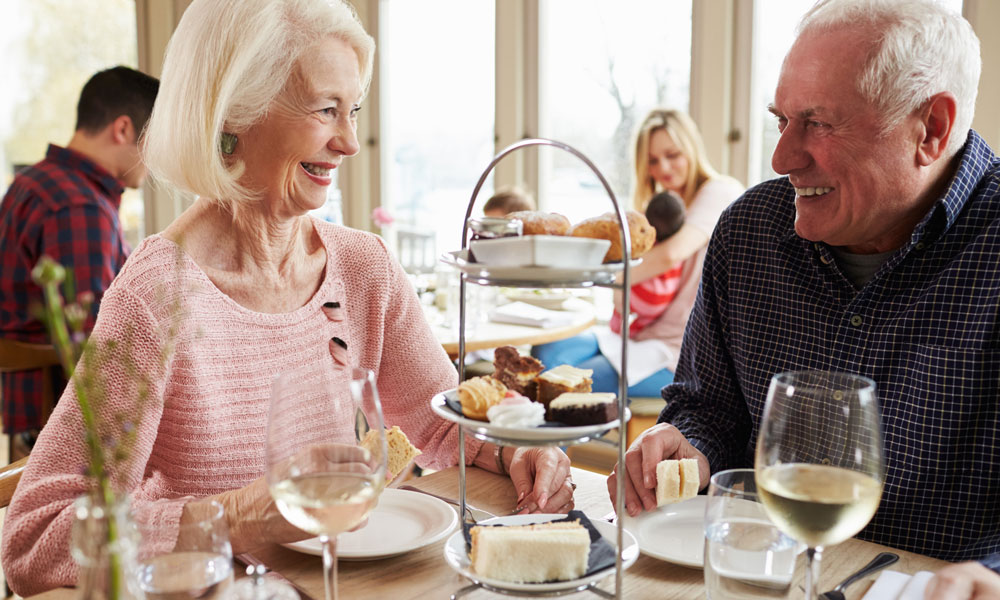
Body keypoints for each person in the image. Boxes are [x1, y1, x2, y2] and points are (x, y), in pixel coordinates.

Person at [0, 0, 572, 594]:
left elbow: (444, 425)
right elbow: (35, 537)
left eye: (353, 110)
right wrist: (233, 518)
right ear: (233, 113)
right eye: (327, 110)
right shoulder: (154, 297)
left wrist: (513, 452)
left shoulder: (363, 267)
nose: (350, 141)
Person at [608, 0, 1000, 592]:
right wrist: (685, 443)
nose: (781, 157)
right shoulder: (748, 233)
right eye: (781, 119)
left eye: (818, 123)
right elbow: (707, 407)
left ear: (932, 129)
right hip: (754, 578)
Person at [0, 66, 159, 457]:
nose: (156, 158)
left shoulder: (33, 182)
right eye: (152, 141)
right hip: (61, 426)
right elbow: (92, 346)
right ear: (122, 129)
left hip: (31, 416)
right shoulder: (79, 205)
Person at [532, 109, 743, 397]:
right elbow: (624, 299)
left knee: (566, 386)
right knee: (546, 355)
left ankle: (544, 440)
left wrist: (605, 275)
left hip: (677, 355)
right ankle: (537, 442)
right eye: (653, 160)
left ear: (691, 149)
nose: (664, 168)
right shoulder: (654, 216)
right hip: (636, 340)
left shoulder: (720, 191)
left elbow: (673, 254)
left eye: (673, 154)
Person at [608, 190, 686, 338]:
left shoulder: (648, 240)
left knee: (622, 291)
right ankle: (636, 329)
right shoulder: (677, 241)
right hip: (661, 301)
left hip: (639, 295)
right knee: (646, 314)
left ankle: (615, 328)